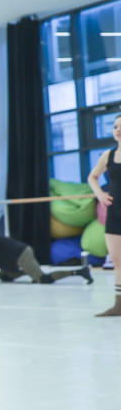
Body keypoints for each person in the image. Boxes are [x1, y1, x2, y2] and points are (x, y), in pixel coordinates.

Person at [0, 228, 91, 286]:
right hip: (19, 253)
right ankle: (30, 272)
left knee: (43, 279)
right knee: (3, 276)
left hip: (21, 255)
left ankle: (80, 272)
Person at [88, 115, 121, 316]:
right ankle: (119, 305)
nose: (118, 129)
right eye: (115, 126)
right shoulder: (108, 155)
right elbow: (92, 177)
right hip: (115, 214)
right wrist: (100, 193)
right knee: (117, 261)